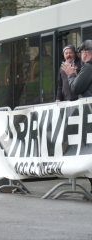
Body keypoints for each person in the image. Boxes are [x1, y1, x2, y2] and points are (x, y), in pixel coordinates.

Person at [63, 39, 92, 195]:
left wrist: (71, 75)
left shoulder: (88, 66)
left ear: (85, 54)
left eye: (81, 53)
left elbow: (76, 88)